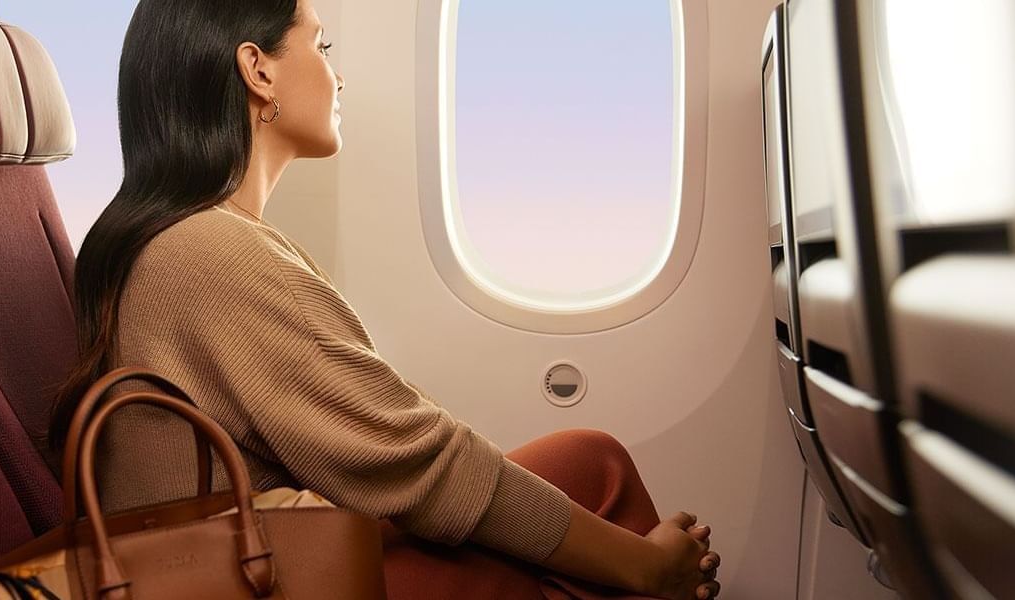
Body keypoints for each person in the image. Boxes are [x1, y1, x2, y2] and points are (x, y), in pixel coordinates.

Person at [50, 0, 721, 598]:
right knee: (598, 473)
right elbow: (416, 461)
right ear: (258, 71)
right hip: (245, 578)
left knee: (583, 466)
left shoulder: (193, 239)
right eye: (321, 45)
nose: (338, 76)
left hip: (256, 554)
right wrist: (643, 565)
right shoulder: (209, 253)